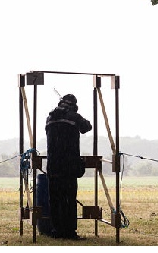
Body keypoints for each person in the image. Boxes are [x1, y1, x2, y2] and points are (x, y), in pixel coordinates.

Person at [45, 94, 92, 240]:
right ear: (73, 105)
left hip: (53, 165)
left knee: (55, 200)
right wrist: (76, 114)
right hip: (69, 165)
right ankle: (69, 232)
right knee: (69, 200)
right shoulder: (74, 117)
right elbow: (87, 127)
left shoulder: (50, 118)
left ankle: (56, 231)